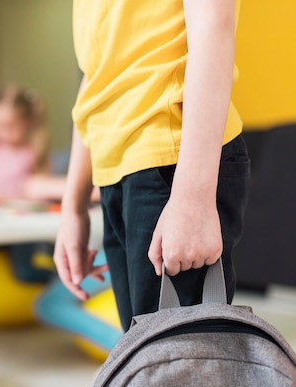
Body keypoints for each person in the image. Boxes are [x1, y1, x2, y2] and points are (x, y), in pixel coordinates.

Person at [55, 0, 250, 331]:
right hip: (115, 168)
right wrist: (72, 208)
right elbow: (96, 76)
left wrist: (192, 196)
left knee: (183, 364)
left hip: (173, 159)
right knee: (146, 361)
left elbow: (213, 25)